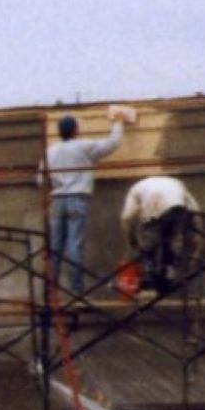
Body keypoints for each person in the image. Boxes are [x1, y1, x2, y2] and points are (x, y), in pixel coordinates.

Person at [38, 106, 139, 294]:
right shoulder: (83, 147)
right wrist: (117, 122)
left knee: (55, 247)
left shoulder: (50, 152)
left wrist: (56, 185)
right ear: (75, 130)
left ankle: (50, 294)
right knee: (74, 245)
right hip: (77, 199)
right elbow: (112, 144)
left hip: (57, 200)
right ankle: (76, 291)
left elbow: (40, 179)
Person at [121, 174, 199, 296]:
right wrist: (196, 240)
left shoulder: (136, 188)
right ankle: (167, 278)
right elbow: (194, 209)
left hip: (153, 212)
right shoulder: (177, 182)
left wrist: (131, 239)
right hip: (177, 208)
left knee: (149, 248)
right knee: (171, 244)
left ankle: (148, 286)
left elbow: (126, 217)